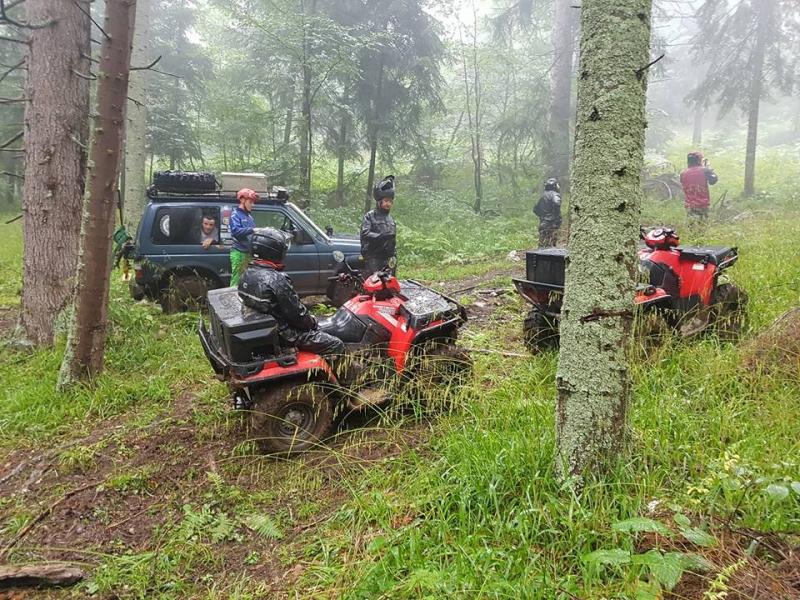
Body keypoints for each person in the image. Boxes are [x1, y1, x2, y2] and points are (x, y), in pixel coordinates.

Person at [238, 227, 345, 360]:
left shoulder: (247, 273)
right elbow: (297, 315)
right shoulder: (276, 279)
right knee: (336, 344)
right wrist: (313, 323)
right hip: (285, 334)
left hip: (267, 329)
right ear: (274, 251)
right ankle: (344, 379)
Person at [360, 175, 397, 275]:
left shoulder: (391, 220)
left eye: (390, 201)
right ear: (379, 202)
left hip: (388, 258)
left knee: (389, 285)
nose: (388, 204)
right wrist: (381, 236)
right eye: (386, 201)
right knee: (374, 284)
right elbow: (365, 234)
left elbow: (393, 240)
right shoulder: (370, 216)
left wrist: (393, 255)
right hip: (373, 257)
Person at [230, 188, 259, 286]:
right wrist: (252, 230)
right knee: (237, 279)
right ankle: (232, 299)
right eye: (250, 202)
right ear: (242, 200)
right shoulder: (235, 214)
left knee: (247, 280)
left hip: (248, 253)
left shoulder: (249, 217)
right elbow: (235, 231)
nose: (252, 205)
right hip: (238, 252)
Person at [680, 151, 718, 220]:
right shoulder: (704, 170)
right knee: (703, 226)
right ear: (699, 160)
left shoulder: (683, 173)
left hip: (689, 205)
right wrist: (709, 169)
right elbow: (713, 181)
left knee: (691, 227)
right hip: (702, 204)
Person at [534, 178, 562, 247]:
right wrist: (555, 216)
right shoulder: (555, 194)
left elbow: (535, 209)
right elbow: (557, 203)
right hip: (552, 224)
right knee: (551, 246)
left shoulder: (542, 196)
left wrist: (543, 217)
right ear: (555, 186)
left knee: (542, 244)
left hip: (543, 223)